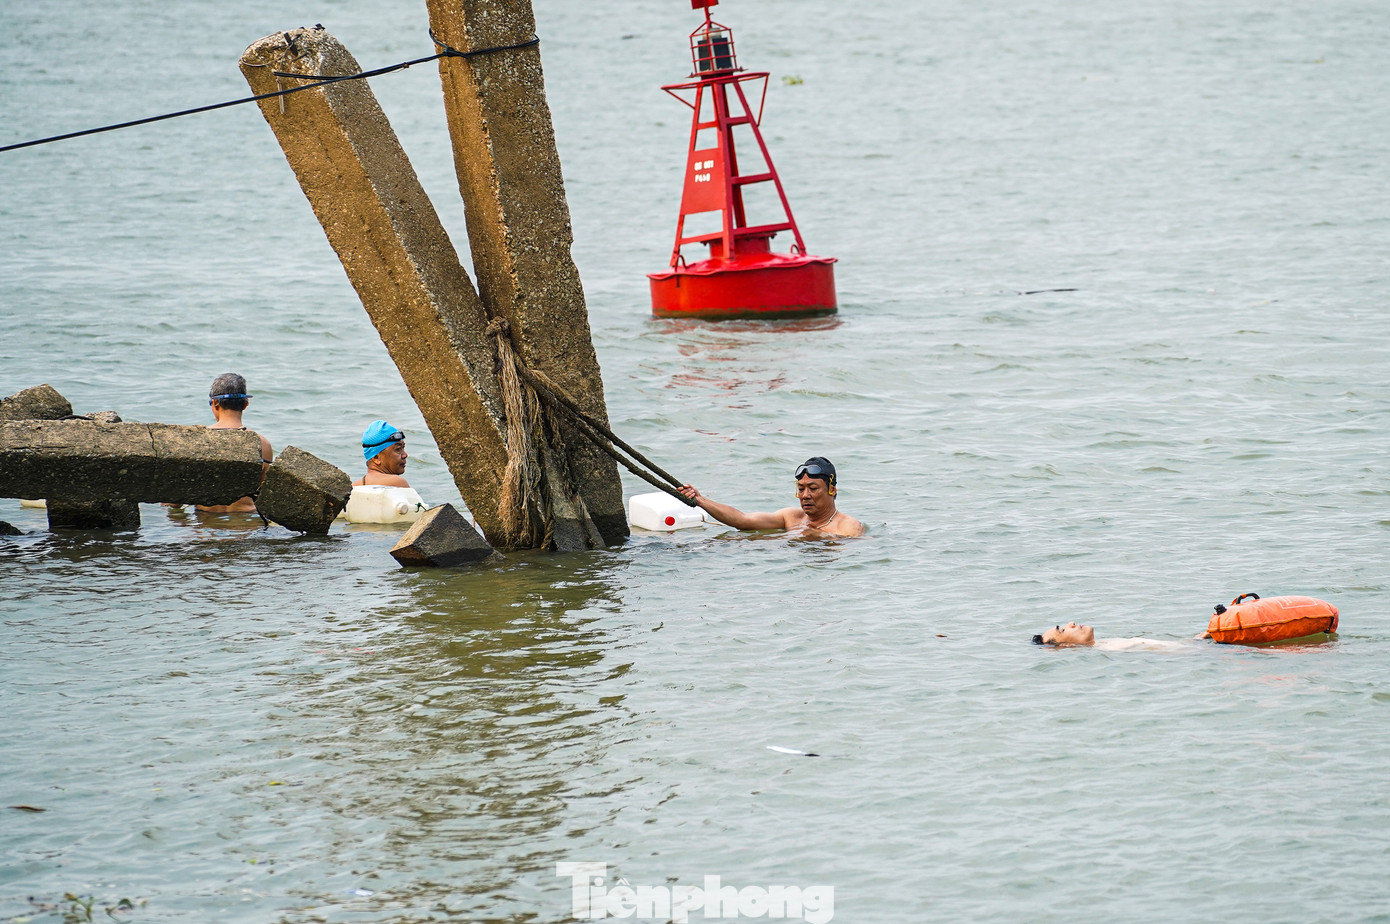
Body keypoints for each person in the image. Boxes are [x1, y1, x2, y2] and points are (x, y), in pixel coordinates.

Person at [679, 456, 864, 538]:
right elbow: (742, 520)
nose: (805, 495)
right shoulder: (791, 517)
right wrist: (700, 500)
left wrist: (808, 534)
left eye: (813, 488)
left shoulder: (847, 526)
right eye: (801, 488)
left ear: (832, 490)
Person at [198, 373, 273, 513]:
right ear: (245, 404)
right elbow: (265, 495)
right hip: (247, 521)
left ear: (215, 403)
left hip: (207, 522)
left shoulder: (198, 439)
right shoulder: (263, 444)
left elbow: (175, 503)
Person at [1033, 621, 1208, 651]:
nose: (1071, 623)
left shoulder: (1104, 643)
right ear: (1067, 646)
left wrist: (1196, 640)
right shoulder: (1114, 650)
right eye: (1063, 630)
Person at [355, 419, 411, 488]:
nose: (405, 455)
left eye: (403, 447)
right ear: (376, 458)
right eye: (398, 449)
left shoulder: (354, 487)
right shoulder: (397, 482)